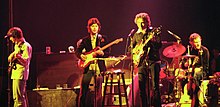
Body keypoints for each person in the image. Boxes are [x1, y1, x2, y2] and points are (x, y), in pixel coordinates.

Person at [75, 18, 110, 107]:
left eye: (96, 26)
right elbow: (77, 51)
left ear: (99, 27)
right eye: (92, 26)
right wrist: (81, 56)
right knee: (84, 91)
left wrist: (103, 53)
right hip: (88, 67)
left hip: (99, 67)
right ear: (89, 28)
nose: (94, 28)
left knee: (99, 92)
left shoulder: (103, 38)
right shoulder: (85, 40)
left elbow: (108, 53)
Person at [131, 12, 162, 107]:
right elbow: (131, 48)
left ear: (147, 23)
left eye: (143, 22)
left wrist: (152, 40)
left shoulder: (152, 32)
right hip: (141, 62)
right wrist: (135, 52)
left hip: (153, 60)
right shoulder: (136, 35)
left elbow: (159, 45)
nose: (141, 24)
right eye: (139, 22)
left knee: (155, 86)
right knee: (142, 87)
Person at [6, 27, 32, 107]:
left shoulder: (26, 46)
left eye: (10, 37)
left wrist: (18, 57)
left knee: (19, 99)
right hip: (15, 74)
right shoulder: (17, 46)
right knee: (16, 97)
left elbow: (26, 62)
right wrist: (12, 56)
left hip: (20, 75)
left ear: (15, 37)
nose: (10, 40)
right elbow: (12, 57)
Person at [183, 33, 210, 107]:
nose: (198, 44)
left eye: (199, 41)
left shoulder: (205, 50)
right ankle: (187, 94)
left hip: (202, 71)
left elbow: (206, 66)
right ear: (191, 42)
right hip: (191, 72)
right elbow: (184, 63)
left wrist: (197, 68)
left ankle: (195, 93)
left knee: (196, 73)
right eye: (195, 42)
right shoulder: (190, 50)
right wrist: (186, 63)